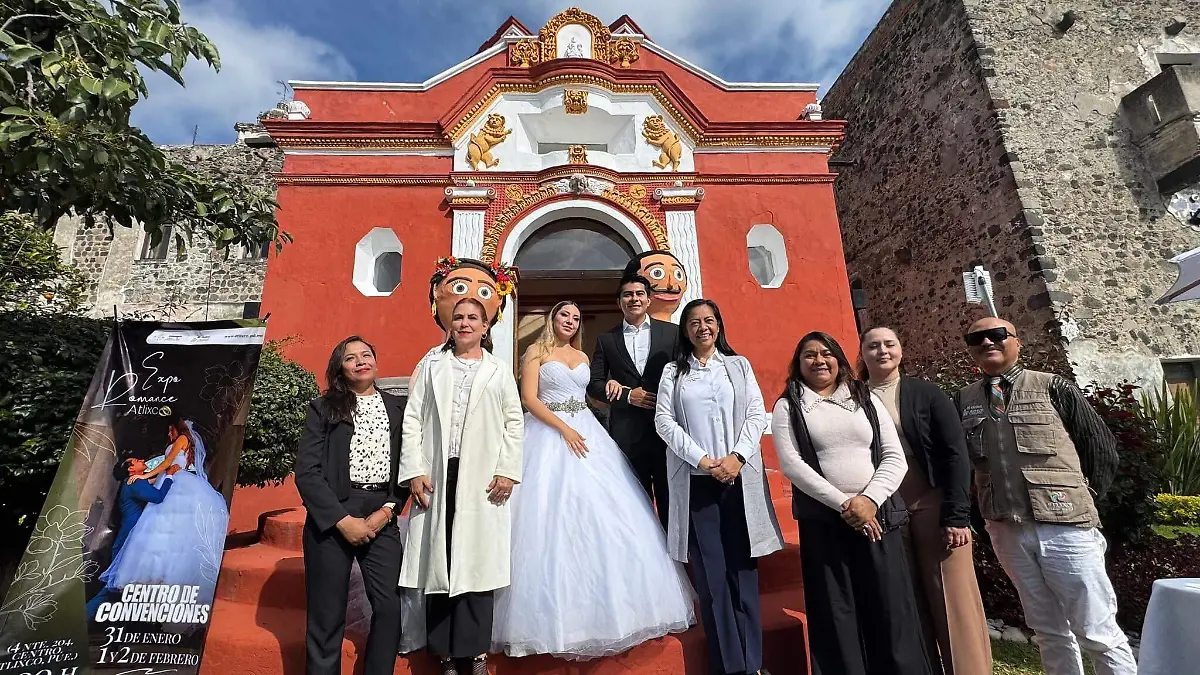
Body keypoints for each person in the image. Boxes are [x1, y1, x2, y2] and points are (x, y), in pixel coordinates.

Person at [492, 300, 695, 659]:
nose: (570, 321)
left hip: (588, 433)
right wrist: (564, 429)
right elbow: (529, 399)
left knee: (608, 514)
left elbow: (586, 397)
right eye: (564, 315)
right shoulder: (534, 353)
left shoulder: (583, 357)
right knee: (547, 517)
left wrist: (609, 393)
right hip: (548, 433)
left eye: (575, 317)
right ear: (551, 319)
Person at [956, 317, 1136, 675]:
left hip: (1065, 527)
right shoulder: (965, 399)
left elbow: (1100, 448)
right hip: (1007, 528)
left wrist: (1085, 498)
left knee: (1097, 629)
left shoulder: (1053, 387)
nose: (988, 342)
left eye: (997, 335)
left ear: (1017, 341)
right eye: (977, 338)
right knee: (1048, 631)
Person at [771, 332, 930, 675]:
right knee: (836, 611)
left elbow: (893, 456)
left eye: (826, 354)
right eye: (809, 355)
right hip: (825, 522)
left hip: (879, 517)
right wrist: (847, 505)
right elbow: (792, 465)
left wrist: (870, 500)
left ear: (840, 360)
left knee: (890, 608)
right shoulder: (789, 405)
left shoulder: (864, 397)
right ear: (798, 365)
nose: (818, 361)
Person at [655, 299, 783, 675]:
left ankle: (754, 664)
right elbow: (664, 422)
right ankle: (729, 667)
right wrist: (702, 460)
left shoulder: (738, 366)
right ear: (685, 330)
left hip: (738, 480)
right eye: (694, 322)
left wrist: (736, 458)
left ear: (719, 325)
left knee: (743, 571)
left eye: (709, 320)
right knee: (712, 578)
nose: (702, 327)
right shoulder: (672, 372)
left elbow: (755, 413)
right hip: (697, 484)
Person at [399, 297, 523, 675]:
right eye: (459, 318)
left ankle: (476, 653)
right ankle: (447, 654)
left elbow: (513, 422)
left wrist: (507, 471)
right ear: (449, 325)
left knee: (476, 561)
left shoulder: (498, 370)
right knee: (439, 559)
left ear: (486, 327)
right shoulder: (432, 365)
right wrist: (415, 469)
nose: (465, 323)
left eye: (473, 318)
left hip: (481, 478)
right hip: (438, 473)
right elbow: (412, 418)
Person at [859, 327, 991, 675]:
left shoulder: (926, 394)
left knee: (952, 600)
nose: (882, 351)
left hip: (934, 505)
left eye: (889, 344)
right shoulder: (853, 398)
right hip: (886, 509)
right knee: (906, 602)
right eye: (873, 345)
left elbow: (955, 455)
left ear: (901, 350)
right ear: (862, 352)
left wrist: (958, 515)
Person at [294, 336, 410, 675]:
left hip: (382, 513)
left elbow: (407, 466)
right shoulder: (324, 407)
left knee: (389, 607)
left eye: (366, 355)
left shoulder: (397, 408)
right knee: (326, 615)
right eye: (350, 358)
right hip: (333, 515)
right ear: (340, 368)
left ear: (376, 360)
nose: (361, 361)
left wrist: (388, 510)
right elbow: (308, 472)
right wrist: (342, 521)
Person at [98, 416, 228, 605]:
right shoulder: (174, 444)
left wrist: (145, 475)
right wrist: (147, 478)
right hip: (170, 480)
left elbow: (167, 463)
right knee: (161, 529)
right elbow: (162, 473)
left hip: (179, 481)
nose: (169, 434)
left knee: (173, 528)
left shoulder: (182, 439)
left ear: (177, 428)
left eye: (170, 430)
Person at [588, 273, 677, 528]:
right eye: (627, 295)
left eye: (639, 294)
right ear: (619, 302)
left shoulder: (672, 334)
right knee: (636, 503)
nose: (634, 299)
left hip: (667, 433)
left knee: (671, 499)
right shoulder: (607, 340)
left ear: (649, 300)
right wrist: (627, 395)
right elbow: (594, 384)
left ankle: (676, 562)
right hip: (627, 434)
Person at [86, 458, 175, 619]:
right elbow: (158, 496)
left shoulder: (135, 481)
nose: (142, 460)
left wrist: (162, 473)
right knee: (113, 589)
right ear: (131, 470)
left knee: (121, 591)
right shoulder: (134, 483)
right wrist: (169, 476)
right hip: (128, 542)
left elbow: (152, 481)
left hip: (130, 540)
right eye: (136, 461)